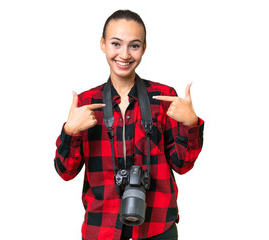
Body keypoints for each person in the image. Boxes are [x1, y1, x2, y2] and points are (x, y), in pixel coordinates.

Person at [54, 9, 204, 240]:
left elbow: (182, 166)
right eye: (116, 43)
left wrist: (191, 124)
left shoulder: (164, 98)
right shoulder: (86, 104)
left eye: (134, 45)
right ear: (103, 44)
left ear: (144, 48)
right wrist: (70, 132)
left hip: (157, 226)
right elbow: (65, 172)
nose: (124, 54)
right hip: (102, 227)